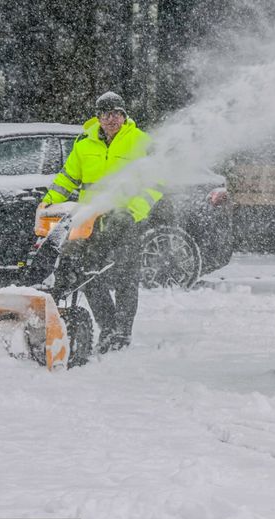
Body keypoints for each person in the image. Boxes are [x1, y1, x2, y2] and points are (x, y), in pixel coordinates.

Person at [40, 91, 163, 355]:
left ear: (124, 115)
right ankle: (107, 327)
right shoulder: (84, 144)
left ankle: (122, 333)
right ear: (98, 117)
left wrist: (133, 211)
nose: (112, 119)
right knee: (88, 276)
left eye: (117, 113)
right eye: (106, 114)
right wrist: (47, 202)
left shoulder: (141, 142)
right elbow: (67, 180)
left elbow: (156, 183)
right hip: (91, 223)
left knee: (126, 280)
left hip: (126, 221)